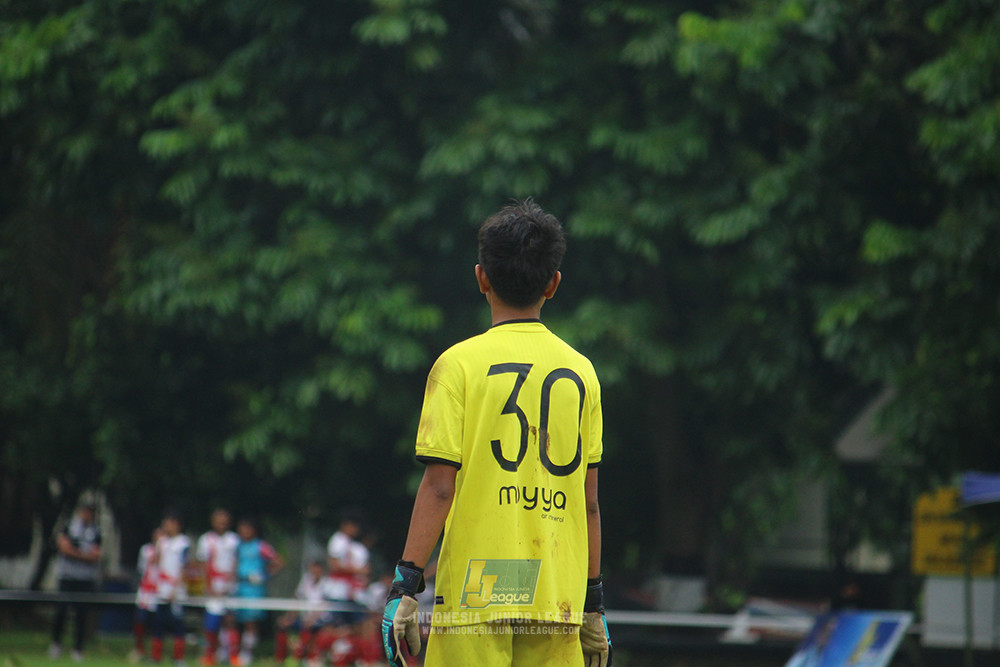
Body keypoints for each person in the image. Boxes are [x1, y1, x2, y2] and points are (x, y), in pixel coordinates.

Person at [381, 199, 612, 666]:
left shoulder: (457, 365)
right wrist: (593, 604)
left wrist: (406, 584)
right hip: (556, 594)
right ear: (554, 283)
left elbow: (440, 486)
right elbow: (588, 501)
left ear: (481, 277)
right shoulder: (582, 373)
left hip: (477, 590)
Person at [49, 500, 103, 662]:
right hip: (67, 576)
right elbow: (63, 547)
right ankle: (56, 644)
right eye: (86, 510)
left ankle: (78, 648)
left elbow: (96, 555)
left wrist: (75, 553)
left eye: (91, 511)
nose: (88, 514)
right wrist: (82, 555)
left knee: (81, 614)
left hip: (85, 578)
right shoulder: (69, 526)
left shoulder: (96, 531)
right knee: (61, 610)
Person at [230, 517, 284, 666]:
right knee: (234, 620)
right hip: (240, 586)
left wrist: (264, 575)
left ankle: (247, 654)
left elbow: (278, 562)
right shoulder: (239, 546)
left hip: (254, 589)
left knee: (251, 622)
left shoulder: (261, 546)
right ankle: (232, 652)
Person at [195, 508, 240, 666]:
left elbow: (235, 563)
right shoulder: (206, 540)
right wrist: (208, 586)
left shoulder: (233, 540)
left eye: (225, 521)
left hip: (228, 587)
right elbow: (203, 565)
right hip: (212, 587)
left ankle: (233, 655)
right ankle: (210, 655)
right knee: (211, 623)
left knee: (230, 621)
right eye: (219, 520)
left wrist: (229, 585)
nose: (222, 524)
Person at [152, 510, 191, 665]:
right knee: (158, 623)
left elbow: (184, 567)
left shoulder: (183, 543)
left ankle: (179, 657)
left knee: (177, 624)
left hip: (176, 589)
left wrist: (176, 588)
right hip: (161, 588)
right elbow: (156, 563)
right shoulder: (162, 542)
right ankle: (156, 656)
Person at [274, 560, 328, 663]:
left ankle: (303, 657)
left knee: (307, 630)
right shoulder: (306, 580)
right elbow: (298, 599)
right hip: (304, 618)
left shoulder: (326, 584)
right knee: (281, 625)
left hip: (319, 621)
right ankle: (281, 658)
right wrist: (289, 617)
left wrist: (311, 619)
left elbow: (324, 606)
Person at [130, 527, 164, 663]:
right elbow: (143, 568)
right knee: (140, 620)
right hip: (146, 591)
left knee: (157, 623)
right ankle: (139, 649)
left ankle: (156, 653)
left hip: (160, 591)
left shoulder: (169, 550)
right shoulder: (146, 550)